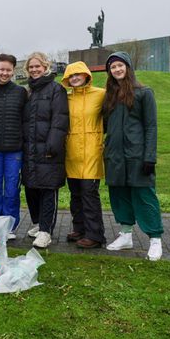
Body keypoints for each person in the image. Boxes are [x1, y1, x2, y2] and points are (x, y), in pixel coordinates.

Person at [103, 51, 164, 261]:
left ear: (128, 67)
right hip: (115, 156)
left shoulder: (144, 93)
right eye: (113, 67)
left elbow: (151, 127)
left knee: (144, 197)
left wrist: (150, 157)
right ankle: (126, 235)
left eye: (120, 65)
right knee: (119, 196)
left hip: (138, 156)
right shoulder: (109, 96)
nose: (117, 69)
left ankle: (155, 239)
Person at [22, 52, 69, 248]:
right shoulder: (28, 91)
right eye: (31, 67)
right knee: (31, 188)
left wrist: (53, 145)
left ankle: (46, 231)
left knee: (48, 189)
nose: (34, 70)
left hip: (48, 149)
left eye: (37, 66)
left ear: (45, 67)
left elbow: (60, 119)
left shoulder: (56, 89)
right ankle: (37, 223)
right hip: (29, 149)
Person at [61, 61, 106, 248]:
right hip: (71, 152)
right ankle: (79, 228)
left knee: (89, 194)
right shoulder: (66, 99)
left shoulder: (101, 94)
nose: (75, 78)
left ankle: (95, 235)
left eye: (78, 74)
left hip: (92, 152)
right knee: (75, 194)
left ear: (87, 75)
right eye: (71, 76)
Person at [0, 54, 27, 239]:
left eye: (8, 70)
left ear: (13, 71)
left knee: (11, 190)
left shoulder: (21, 92)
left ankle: (9, 226)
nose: (4, 73)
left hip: (14, 151)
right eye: (2, 69)